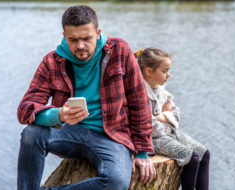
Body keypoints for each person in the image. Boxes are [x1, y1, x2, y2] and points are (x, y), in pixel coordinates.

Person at [17, 5, 156, 190]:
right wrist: (58, 115)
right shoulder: (52, 61)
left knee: (116, 183)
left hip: (112, 136)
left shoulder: (120, 51)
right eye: (73, 40)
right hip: (68, 133)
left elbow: (139, 103)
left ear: (98, 33)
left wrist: (142, 153)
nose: (80, 46)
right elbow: (25, 109)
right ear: (64, 35)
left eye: (86, 38)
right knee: (31, 135)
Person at [135, 48, 210, 190]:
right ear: (148, 71)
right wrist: (166, 120)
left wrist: (161, 116)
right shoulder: (139, 93)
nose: (168, 75)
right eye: (164, 71)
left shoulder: (160, 89)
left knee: (204, 153)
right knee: (192, 158)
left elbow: (176, 112)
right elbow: (150, 127)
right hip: (151, 139)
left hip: (167, 132)